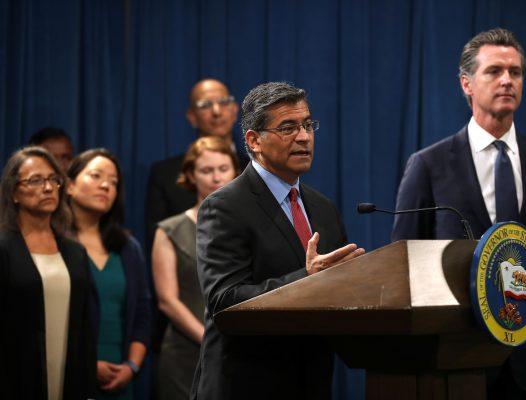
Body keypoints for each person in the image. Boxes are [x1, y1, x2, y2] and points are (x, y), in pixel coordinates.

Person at [391, 28, 526, 399]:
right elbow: (403, 264)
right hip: (456, 359)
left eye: (516, 72)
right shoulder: (428, 165)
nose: (507, 80)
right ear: (467, 84)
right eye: (494, 71)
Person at [191, 82, 365, 400]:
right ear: (254, 140)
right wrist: (307, 280)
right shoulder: (224, 206)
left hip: (310, 381)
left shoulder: (323, 207)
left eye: (307, 124)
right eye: (288, 127)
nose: (304, 136)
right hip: (246, 383)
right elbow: (224, 301)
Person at [0, 146, 96, 400]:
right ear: (14, 193)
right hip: (14, 378)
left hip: (70, 375)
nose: (48, 188)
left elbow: (86, 326)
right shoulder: (4, 247)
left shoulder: (75, 252)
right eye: (35, 180)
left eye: (54, 179)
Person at [152, 136, 239, 400]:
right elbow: (168, 301)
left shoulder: (246, 226)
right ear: (190, 175)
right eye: (206, 170)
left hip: (240, 353)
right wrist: (209, 340)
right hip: (187, 352)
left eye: (223, 169)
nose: (216, 178)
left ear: (235, 171)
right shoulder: (170, 229)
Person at [66, 148, 151, 399]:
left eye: (113, 183)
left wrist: (131, 366)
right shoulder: (54, 243)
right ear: (69, 185)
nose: (105, 185)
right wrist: (84, 364)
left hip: (120, 376)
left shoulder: (127, 247)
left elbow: (143, 314)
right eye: (95, 176)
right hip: (68, 372)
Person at [145, 78, 249, 249]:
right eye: (205, 105)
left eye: (223, 102)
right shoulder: (164, 174)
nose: (216, 111)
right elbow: (156, 242)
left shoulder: (255, 169)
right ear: (192, 117)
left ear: (234, 110)